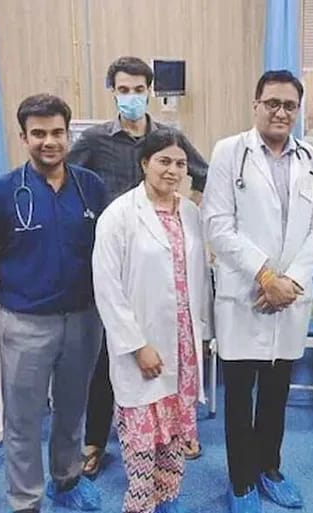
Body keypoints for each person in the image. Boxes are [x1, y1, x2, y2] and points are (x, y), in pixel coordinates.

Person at [67, 56, 209, 475]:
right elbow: (69, 182)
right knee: (108, 353)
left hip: (160, 258)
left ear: (150, 91)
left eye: (138, 89)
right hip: (116, 257)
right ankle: (95, 440)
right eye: (123, 90)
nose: (131, 96)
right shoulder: (94, 140)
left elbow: (203, 174)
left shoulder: (168, 138)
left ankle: (177, 430)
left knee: (172, 349)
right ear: (113, 92)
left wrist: (188, 216)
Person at [203, 69, 313, 513]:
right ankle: (241, 481)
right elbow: (217, 224)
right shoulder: (229, 152)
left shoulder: (312, 157)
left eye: (289, 105)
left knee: (278, 392)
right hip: (246, 293)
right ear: (255, 104)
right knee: (240, 395)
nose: (281, 112)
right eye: (272, 103)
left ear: (298, 110)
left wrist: (291, 281)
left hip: (290, 297)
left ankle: (269, 469)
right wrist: (265, 277)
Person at [0, 94, 107, 512]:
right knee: (23, 419)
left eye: (57, 132)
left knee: (73, 410)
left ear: (68, 135)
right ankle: (26, 500)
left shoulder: (90, 187)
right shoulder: (2, 192)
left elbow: (106, 251)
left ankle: (67, 479)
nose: (49, 141)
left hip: (84, 319)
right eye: (38, 133)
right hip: (26, 321)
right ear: (23, 137)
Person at [92, 127, 214, 513]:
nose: (173, 170)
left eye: (180, 164)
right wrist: (136, 345)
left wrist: (202, 334)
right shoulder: (119, 215)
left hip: (183, 344)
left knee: (174, 434)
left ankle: (168, 498)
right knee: (142, 440)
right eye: (164, 161)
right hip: (142, 345)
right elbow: (107, 287)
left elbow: (199, 279)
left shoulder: (190, 213)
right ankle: (140, 505)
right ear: (145, 163)